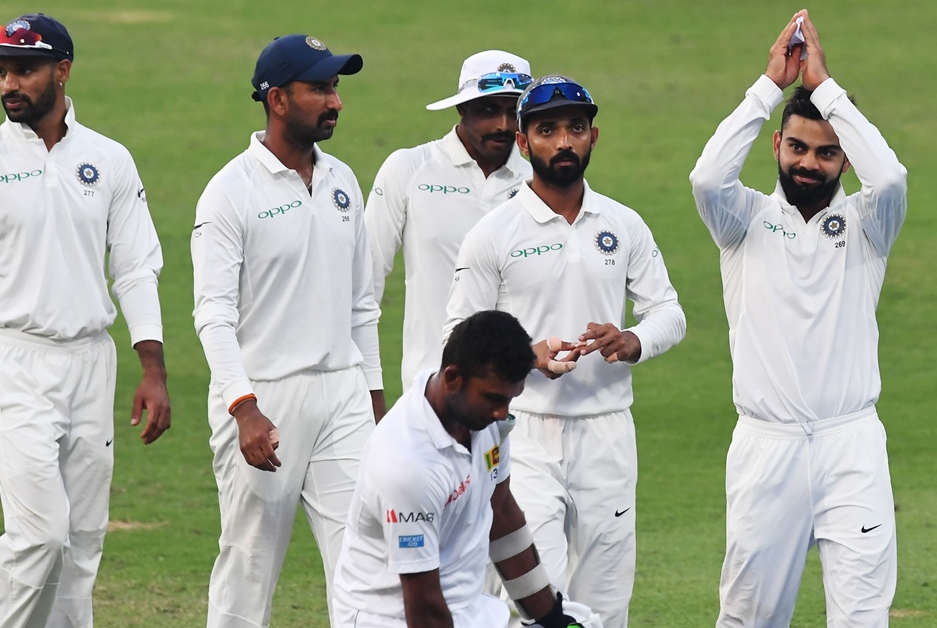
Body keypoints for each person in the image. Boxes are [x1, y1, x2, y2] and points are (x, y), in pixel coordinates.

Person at [0, 13, 171, 627]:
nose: (9, 83)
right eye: (2, 70)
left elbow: (136, 268)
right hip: (12, 359)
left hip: (91, 360)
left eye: (24, 70)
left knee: (82, 542)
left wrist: (153, 369)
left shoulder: (109, 161)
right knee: (40, 537)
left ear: (61, 71)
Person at [690, 9, 906, 627]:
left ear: (843, 157)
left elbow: (889, 175)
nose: (809, 163)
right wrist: (769, 87)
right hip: (767, 447)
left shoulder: (869, 224)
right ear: (778, 145)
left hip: (851, 445)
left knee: (863, 616)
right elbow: (706, 176)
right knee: (748, 618)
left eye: (827, 152)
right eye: (797, 147)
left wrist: (826, 89)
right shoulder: (743, 221)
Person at [444, 76, 686, 627]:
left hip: (608, 433)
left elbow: (669, 313)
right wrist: (527, 357)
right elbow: (455, 341)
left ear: (594, 136)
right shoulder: (493, 232)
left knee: (607, 601)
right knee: (535, 600)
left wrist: (633, 340)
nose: (564, 142)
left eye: (576, 128)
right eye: (547, 130)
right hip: (522, 435)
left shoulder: (623, 225)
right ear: (525, 143)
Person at [191, 33, 385, 628]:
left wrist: (377, 403)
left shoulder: (343, 180)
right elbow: (213, 315)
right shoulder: (230, 193)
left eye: (336, 88)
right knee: (249, 566)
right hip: (263, 398)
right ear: (277, 99)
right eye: (320, 89)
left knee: (367, 561)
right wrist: (243, 406)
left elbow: (362, 306)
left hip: (342, 394)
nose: (335, 101)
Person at [333, 310, 603, 628]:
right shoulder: (406, 468)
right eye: (493, 398)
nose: (502, 412)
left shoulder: (483, 417)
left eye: (510, 399)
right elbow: (424, 609)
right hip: (392, 618)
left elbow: (501, 515)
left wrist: (553, 619)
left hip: (468, 609)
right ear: (452, 378)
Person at [366, 50, 533, 392]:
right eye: (488, 110)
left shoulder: (539, 180)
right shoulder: (410, 169)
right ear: (462, 107)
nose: (502, 125)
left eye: (512, 111)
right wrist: (369, 391)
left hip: (526, 396)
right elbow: (362, 288)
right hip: (432, 391)